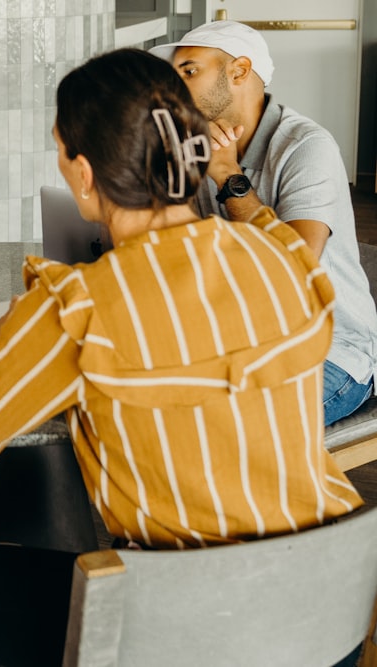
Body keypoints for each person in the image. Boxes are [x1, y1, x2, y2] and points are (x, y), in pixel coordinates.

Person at [0, 48, 364, 667]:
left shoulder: (77, 305)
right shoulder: (280, 259)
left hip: (185, 630)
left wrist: (29, 318)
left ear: (83, 174)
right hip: (329, 604)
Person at [149, 20, 377, 426]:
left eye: (189, 71)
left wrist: (226, 176)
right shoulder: (189, 145)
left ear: (238, 71)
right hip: (231, 344)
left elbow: (295, 269)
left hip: (326, 351)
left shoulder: (307, 146)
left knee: (218, 430)